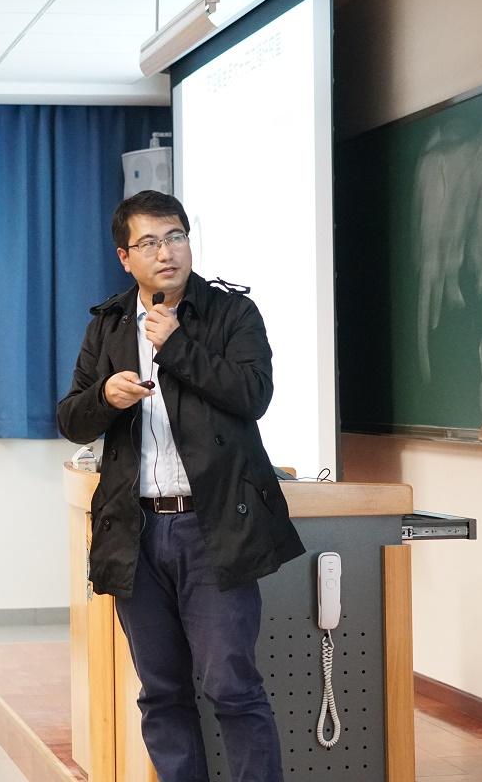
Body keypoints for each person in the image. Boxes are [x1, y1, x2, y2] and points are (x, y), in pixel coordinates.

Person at [57, 190, 303, 782]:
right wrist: (104, 397)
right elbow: (71, 420)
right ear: (125, 258)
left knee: (232, 686)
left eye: (175, 237)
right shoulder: (108, 325)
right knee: (162, 691)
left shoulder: (231, 314)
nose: (166, 252)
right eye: (148, 243)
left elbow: (253, 395)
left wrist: (178, 347)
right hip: (136, 531)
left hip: (213, 527)